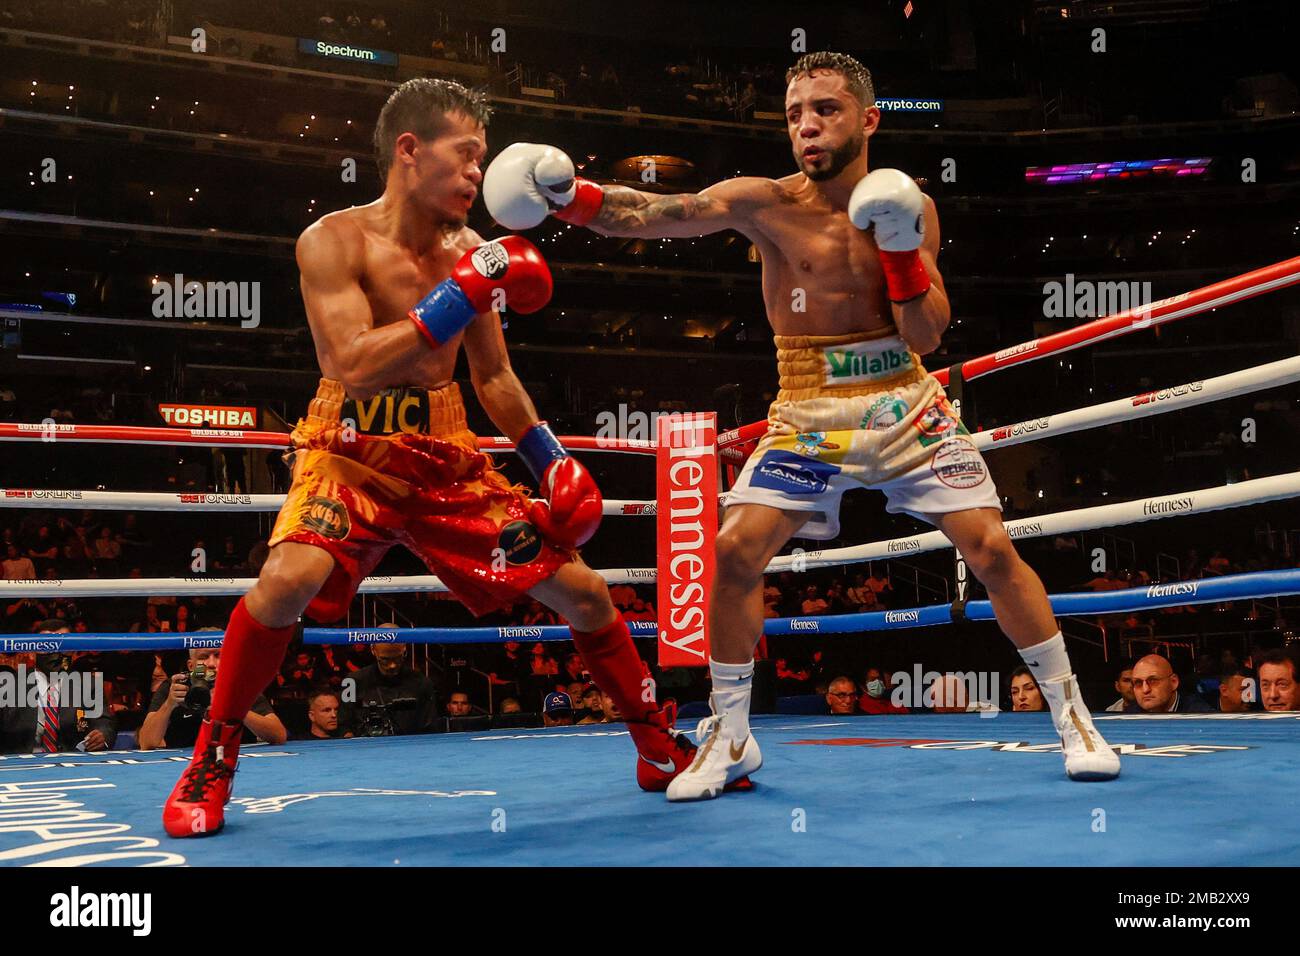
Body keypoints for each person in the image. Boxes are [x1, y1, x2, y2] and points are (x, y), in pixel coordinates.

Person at [484, 50, 1120, 800]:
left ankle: (1073, 716)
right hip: (807, 409)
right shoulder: (763, 201)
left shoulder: (911, 202)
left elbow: (926, 335)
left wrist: (901, 254)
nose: (807, 127)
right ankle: (731, 733)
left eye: (826, 110)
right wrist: (568, 196)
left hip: (903, 400)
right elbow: (654, 214)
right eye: (795, 115)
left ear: (868, 119)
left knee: (989, 546)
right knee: (733, 549)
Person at [162, 78, 698, 839]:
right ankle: (212, 758)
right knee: (287, 579)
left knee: (585, 595)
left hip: (445, 453)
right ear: (409, 151)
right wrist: (462, 291)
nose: (480, 174)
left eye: (483, 159)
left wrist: (549, 460)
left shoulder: (470, 252)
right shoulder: (332, 241)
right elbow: (351, 361)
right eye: (467, 154)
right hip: (349, 449)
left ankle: (655, 742)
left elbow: (493, 378)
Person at [139, 644, 287, 750]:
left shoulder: (242, 685)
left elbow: (278, 735)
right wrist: (169, 704)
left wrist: (235, 708)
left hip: (239, 764)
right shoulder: (175, 686)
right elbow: (146, 742)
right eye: (203, 657)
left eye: (218, 656)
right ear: (191, 666)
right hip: (181, 768)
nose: (211, 663)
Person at [1124, 654, 1214, 713]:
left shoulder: (1200, 714)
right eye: (1138, 683)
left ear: (1173, 682)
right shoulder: (1129, 714)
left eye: (1153, 681)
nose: (1145, 689)